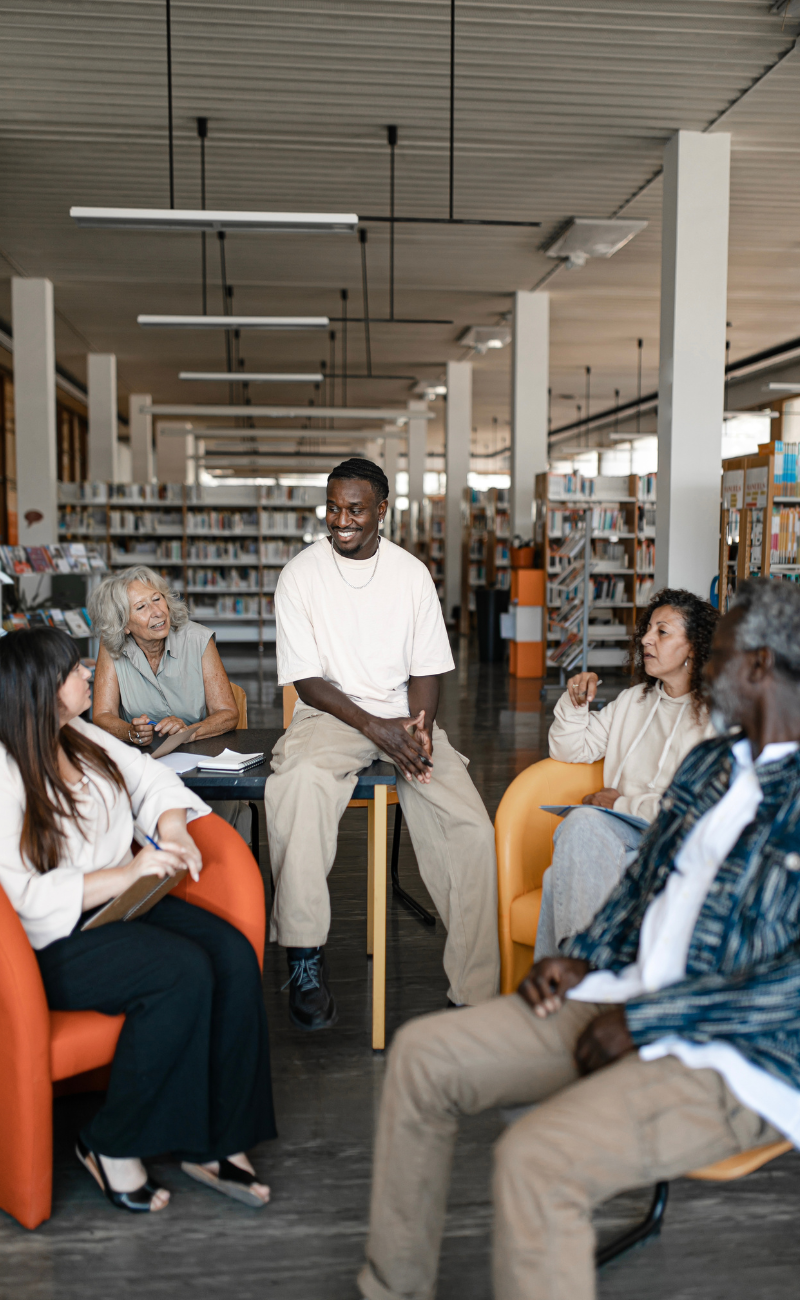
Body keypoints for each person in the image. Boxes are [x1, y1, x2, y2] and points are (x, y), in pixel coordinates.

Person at [358, 578, 800, 1300]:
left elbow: (790, 987)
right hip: (621, 996)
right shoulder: (713, 766)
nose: (705, 671)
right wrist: (583, 954)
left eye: (715, 655)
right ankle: (390, 1286)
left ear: (758, 667)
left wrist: (649, 1019)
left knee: (536, 1159)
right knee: (422, 1055)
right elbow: (642, 884)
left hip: (737, 1056)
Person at [0, 626, 275, 1213]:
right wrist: (123, 877)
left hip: (121, 905)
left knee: (230, 953)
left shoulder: (77, 734)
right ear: (40, 690)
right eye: (73, 671)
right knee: (181, 972)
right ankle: (108, 1142)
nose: (86, 675)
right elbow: (19, 896)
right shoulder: (5, 771)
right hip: (50, 939)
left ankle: (216, 1140)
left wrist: (172, 828)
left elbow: (149, 776)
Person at [265, 457, 500, 1031]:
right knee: (296, 786)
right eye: (333, 507)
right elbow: (308, 683)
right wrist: (377, 731)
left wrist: (416, 731)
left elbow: (428, 669)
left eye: (355, 509)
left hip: (407, 716)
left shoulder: (412, 574)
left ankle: (476, 990)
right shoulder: (300, 575)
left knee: (470, 825)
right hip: (333, 715)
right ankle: (303, 956)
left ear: (382, 511)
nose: (341, 520)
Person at [535, 588, 717, 958]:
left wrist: (625, 803)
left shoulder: (716, 718)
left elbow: (702, 810)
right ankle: (586, 981)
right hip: (621, 833)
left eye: (662, 632)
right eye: (648, 629)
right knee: (571, 853)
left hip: (675, 842)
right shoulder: (633, 702)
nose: (647, 639)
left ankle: (571, 979)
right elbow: (568, 749)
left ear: (694, 647)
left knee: (562, 870)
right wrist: (576, 704)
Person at [88, 565, 248, 835]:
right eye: (141, 607)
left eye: (157, 599)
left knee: (202, 826)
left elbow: (227, 712)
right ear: (123, 625)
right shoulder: (111, 646)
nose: (157, 612)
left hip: (203, 763)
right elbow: (102, 715)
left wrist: (188, 732)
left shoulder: (198, 639)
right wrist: (131, 731)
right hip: (143, 766)